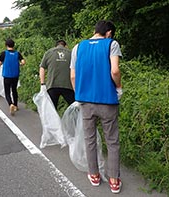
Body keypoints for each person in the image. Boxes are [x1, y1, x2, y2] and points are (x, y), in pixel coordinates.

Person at [70, 20, 123, 194]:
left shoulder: (78, 47)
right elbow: (114, 71)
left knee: (90, 139)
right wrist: (119, 88)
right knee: (112, 140)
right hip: (107, 100)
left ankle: (94, 175)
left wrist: (78, 94)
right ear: (108, 33)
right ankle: (114, 180)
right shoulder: (111, 44)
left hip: (85, 101)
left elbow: (73, 75)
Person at [39, 40, 75, 109]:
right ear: (66, 46)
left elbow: (42, 68)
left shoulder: (49, 53)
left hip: (52, 85)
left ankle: (53, 120)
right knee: (74, 107)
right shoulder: (71, 53)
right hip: (68, 85)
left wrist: (42, 84)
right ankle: (74, 119)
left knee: (52, 109)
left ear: (55, 46)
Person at [0, 38, 26, 116]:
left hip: (7, 75)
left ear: (6, 45)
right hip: (15, 75)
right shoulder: (17, 53)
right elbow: (23, 62)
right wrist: (19, 64)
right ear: (14, 45)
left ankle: (10, 104)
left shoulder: (4, 53)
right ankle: (16, 105)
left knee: (7, 92)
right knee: (14, 90)